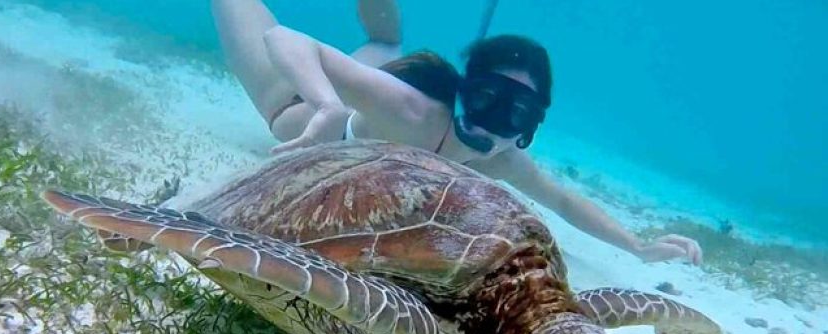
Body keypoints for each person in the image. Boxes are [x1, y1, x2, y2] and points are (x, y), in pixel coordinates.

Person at [211, 0, 703, 264]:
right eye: (487, 98)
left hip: (379, 75)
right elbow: (285, 40)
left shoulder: (500, 159)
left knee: (385, 43)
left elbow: (565, 202)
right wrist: (325, 104)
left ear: (530, 126)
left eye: (515, 112)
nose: (492, 121)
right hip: (287, 98)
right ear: (466, 89)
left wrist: (638, 247)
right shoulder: (415, 112)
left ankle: (384, 44)